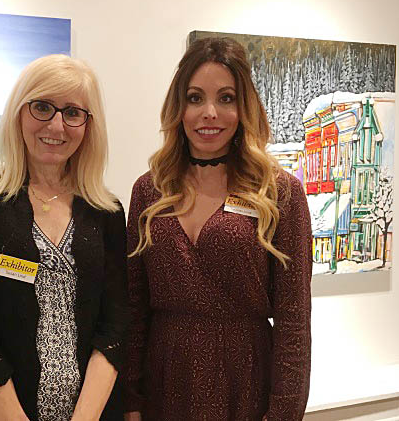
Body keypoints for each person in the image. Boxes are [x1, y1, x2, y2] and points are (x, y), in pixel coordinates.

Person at [124, 38, 312, 421]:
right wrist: (130, 401)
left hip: (244, 385)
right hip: (164, 383)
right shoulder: (149, 189)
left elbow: (294, 325)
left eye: (226, 98)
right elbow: (134, 306)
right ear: (179, 106)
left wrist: (282, 415)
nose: (210, 113)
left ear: (244, 107)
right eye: (195, 98)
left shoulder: (280, 193)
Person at [0, 54, 129, 421]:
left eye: (73, 113)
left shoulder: (107, 212)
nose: (57, 126)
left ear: (89, 125)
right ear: (19, 112)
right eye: (42, 107)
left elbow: (115, 327)